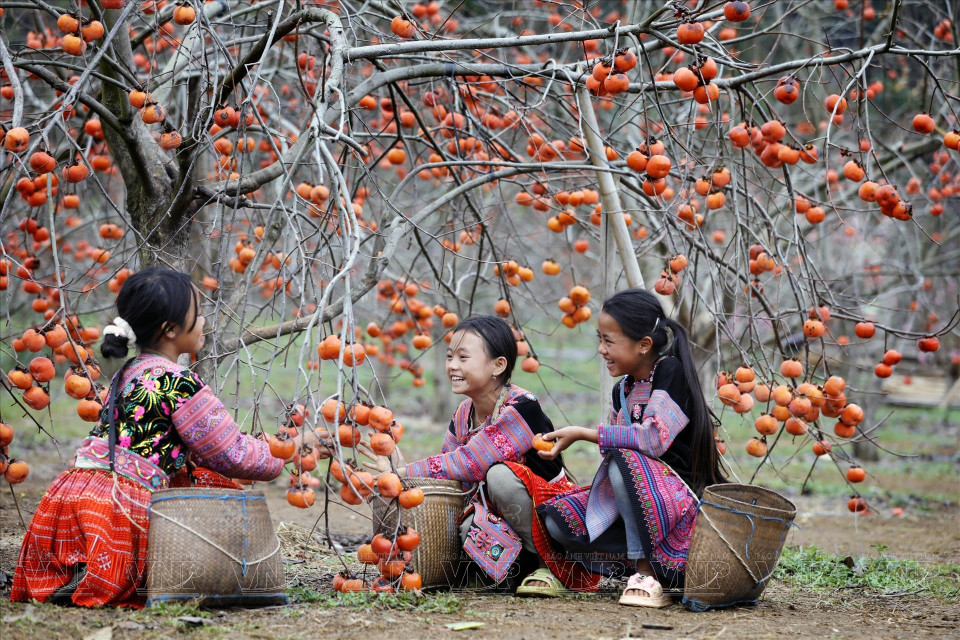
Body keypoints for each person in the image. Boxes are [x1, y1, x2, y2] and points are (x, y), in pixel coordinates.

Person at [11, 267, 285, 608]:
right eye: (197, 315)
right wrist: (283, 453)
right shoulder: (179, 382)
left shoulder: (127, 372)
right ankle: (101, 573)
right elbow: (230, 454)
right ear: (170, 330)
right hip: (120, 510)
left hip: (69, 499)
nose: (203, 322)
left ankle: (79, 570)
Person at [360, 315, 588, 594]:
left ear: (498, 365)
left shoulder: (522, 407)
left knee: (500, 477)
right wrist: (403, 475)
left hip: (553, 518)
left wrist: (403, 473)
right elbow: (452, 480)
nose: (452, 366)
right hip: (510, 522)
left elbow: (470, 463)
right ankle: (511, 573)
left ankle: (553, 568)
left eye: (463, 357)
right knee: (468, 522)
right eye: (449, 356)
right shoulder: (463, 415)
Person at [536, 288, 727, 607]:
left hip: (679, 500)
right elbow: (617, 456)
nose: (600, 349)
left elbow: (653, 440)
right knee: (558, 519)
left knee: (623, 462)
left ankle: (647, 572)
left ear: (644, 345)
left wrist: (586, 433)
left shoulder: (670, 373)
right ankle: (637, 564)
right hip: (639, 501)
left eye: (609, 340)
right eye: (600, 339)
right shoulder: (621, 391)